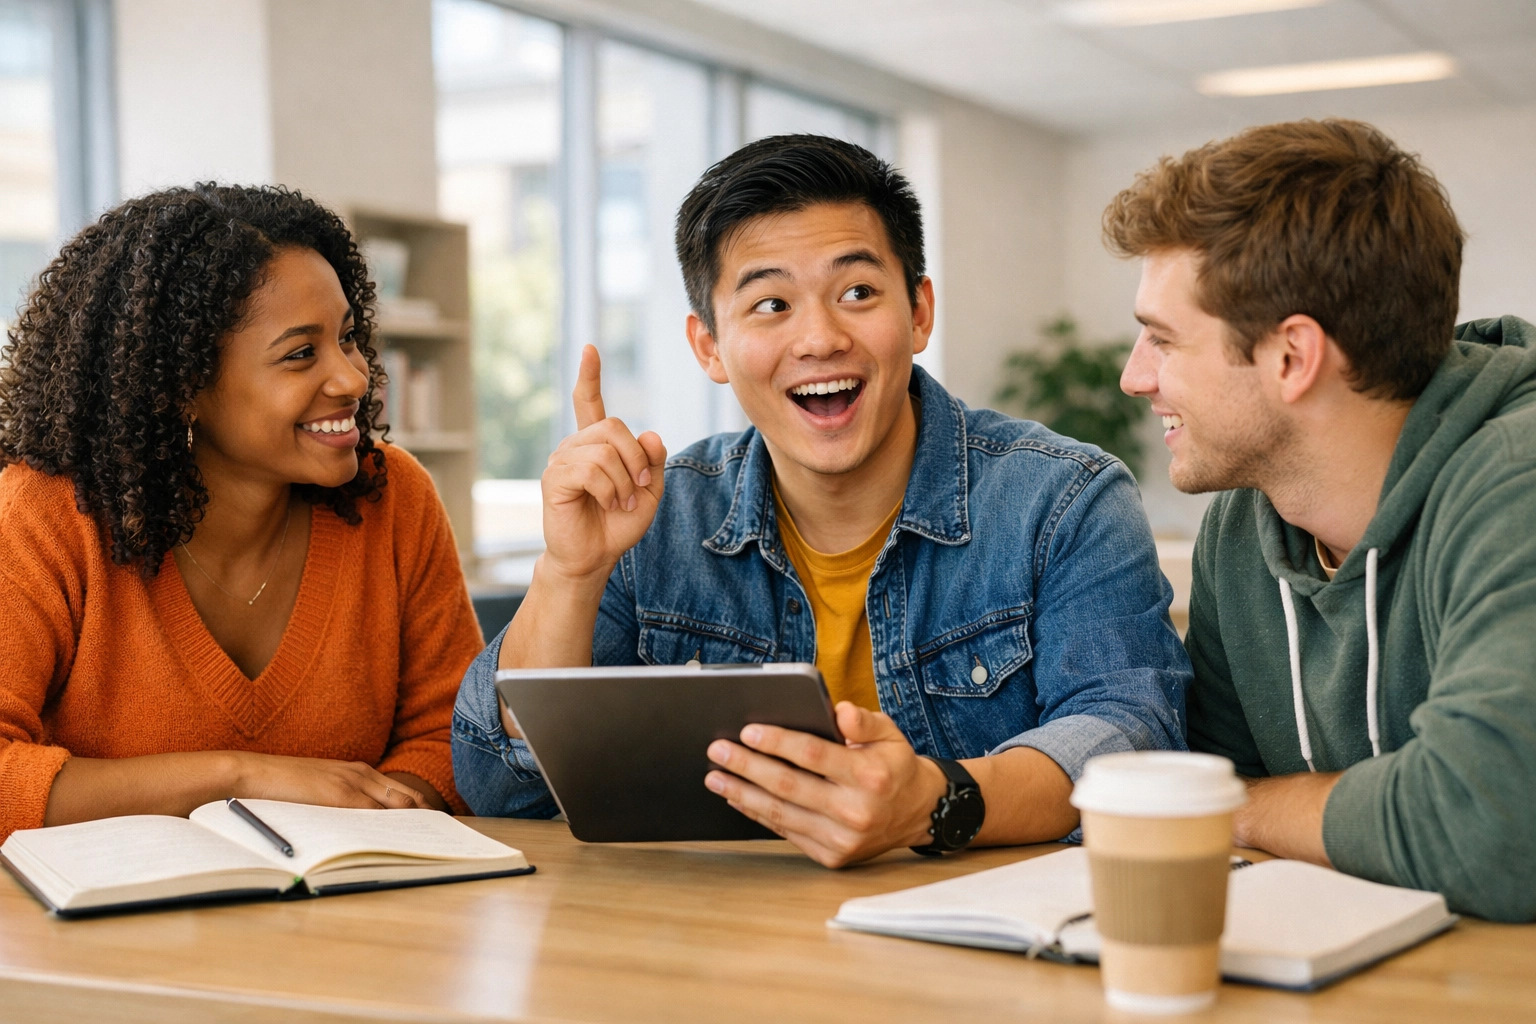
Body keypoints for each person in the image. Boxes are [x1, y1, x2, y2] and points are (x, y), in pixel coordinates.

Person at [454, 135, 1190, 866]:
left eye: (858, 293)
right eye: (771, 303)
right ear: (709, 346)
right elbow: (497, 784)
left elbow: (1132, 733)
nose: (819, 337)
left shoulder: (1063, 500)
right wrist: (570, 572)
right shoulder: (653, 520)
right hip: (719, 950)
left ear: (920, 311)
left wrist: (932, 803)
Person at [1111, 119, 1536, 920]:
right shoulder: (1244, 524)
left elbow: (1495, 827)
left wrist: (1240, 807)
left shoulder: (1517, 484)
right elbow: (1214, 777)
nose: (1137, 377)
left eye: (1163, 340)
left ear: (1292, 357)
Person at [0, 184, 483, 839]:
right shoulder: (45, 515)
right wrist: (240, 778)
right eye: (300, 354)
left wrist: (352, 837)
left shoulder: (395, 499)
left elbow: (454, 737)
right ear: (180, 386)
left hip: (352, 919)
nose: (352, 377)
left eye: (347, 337)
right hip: (100, 931)